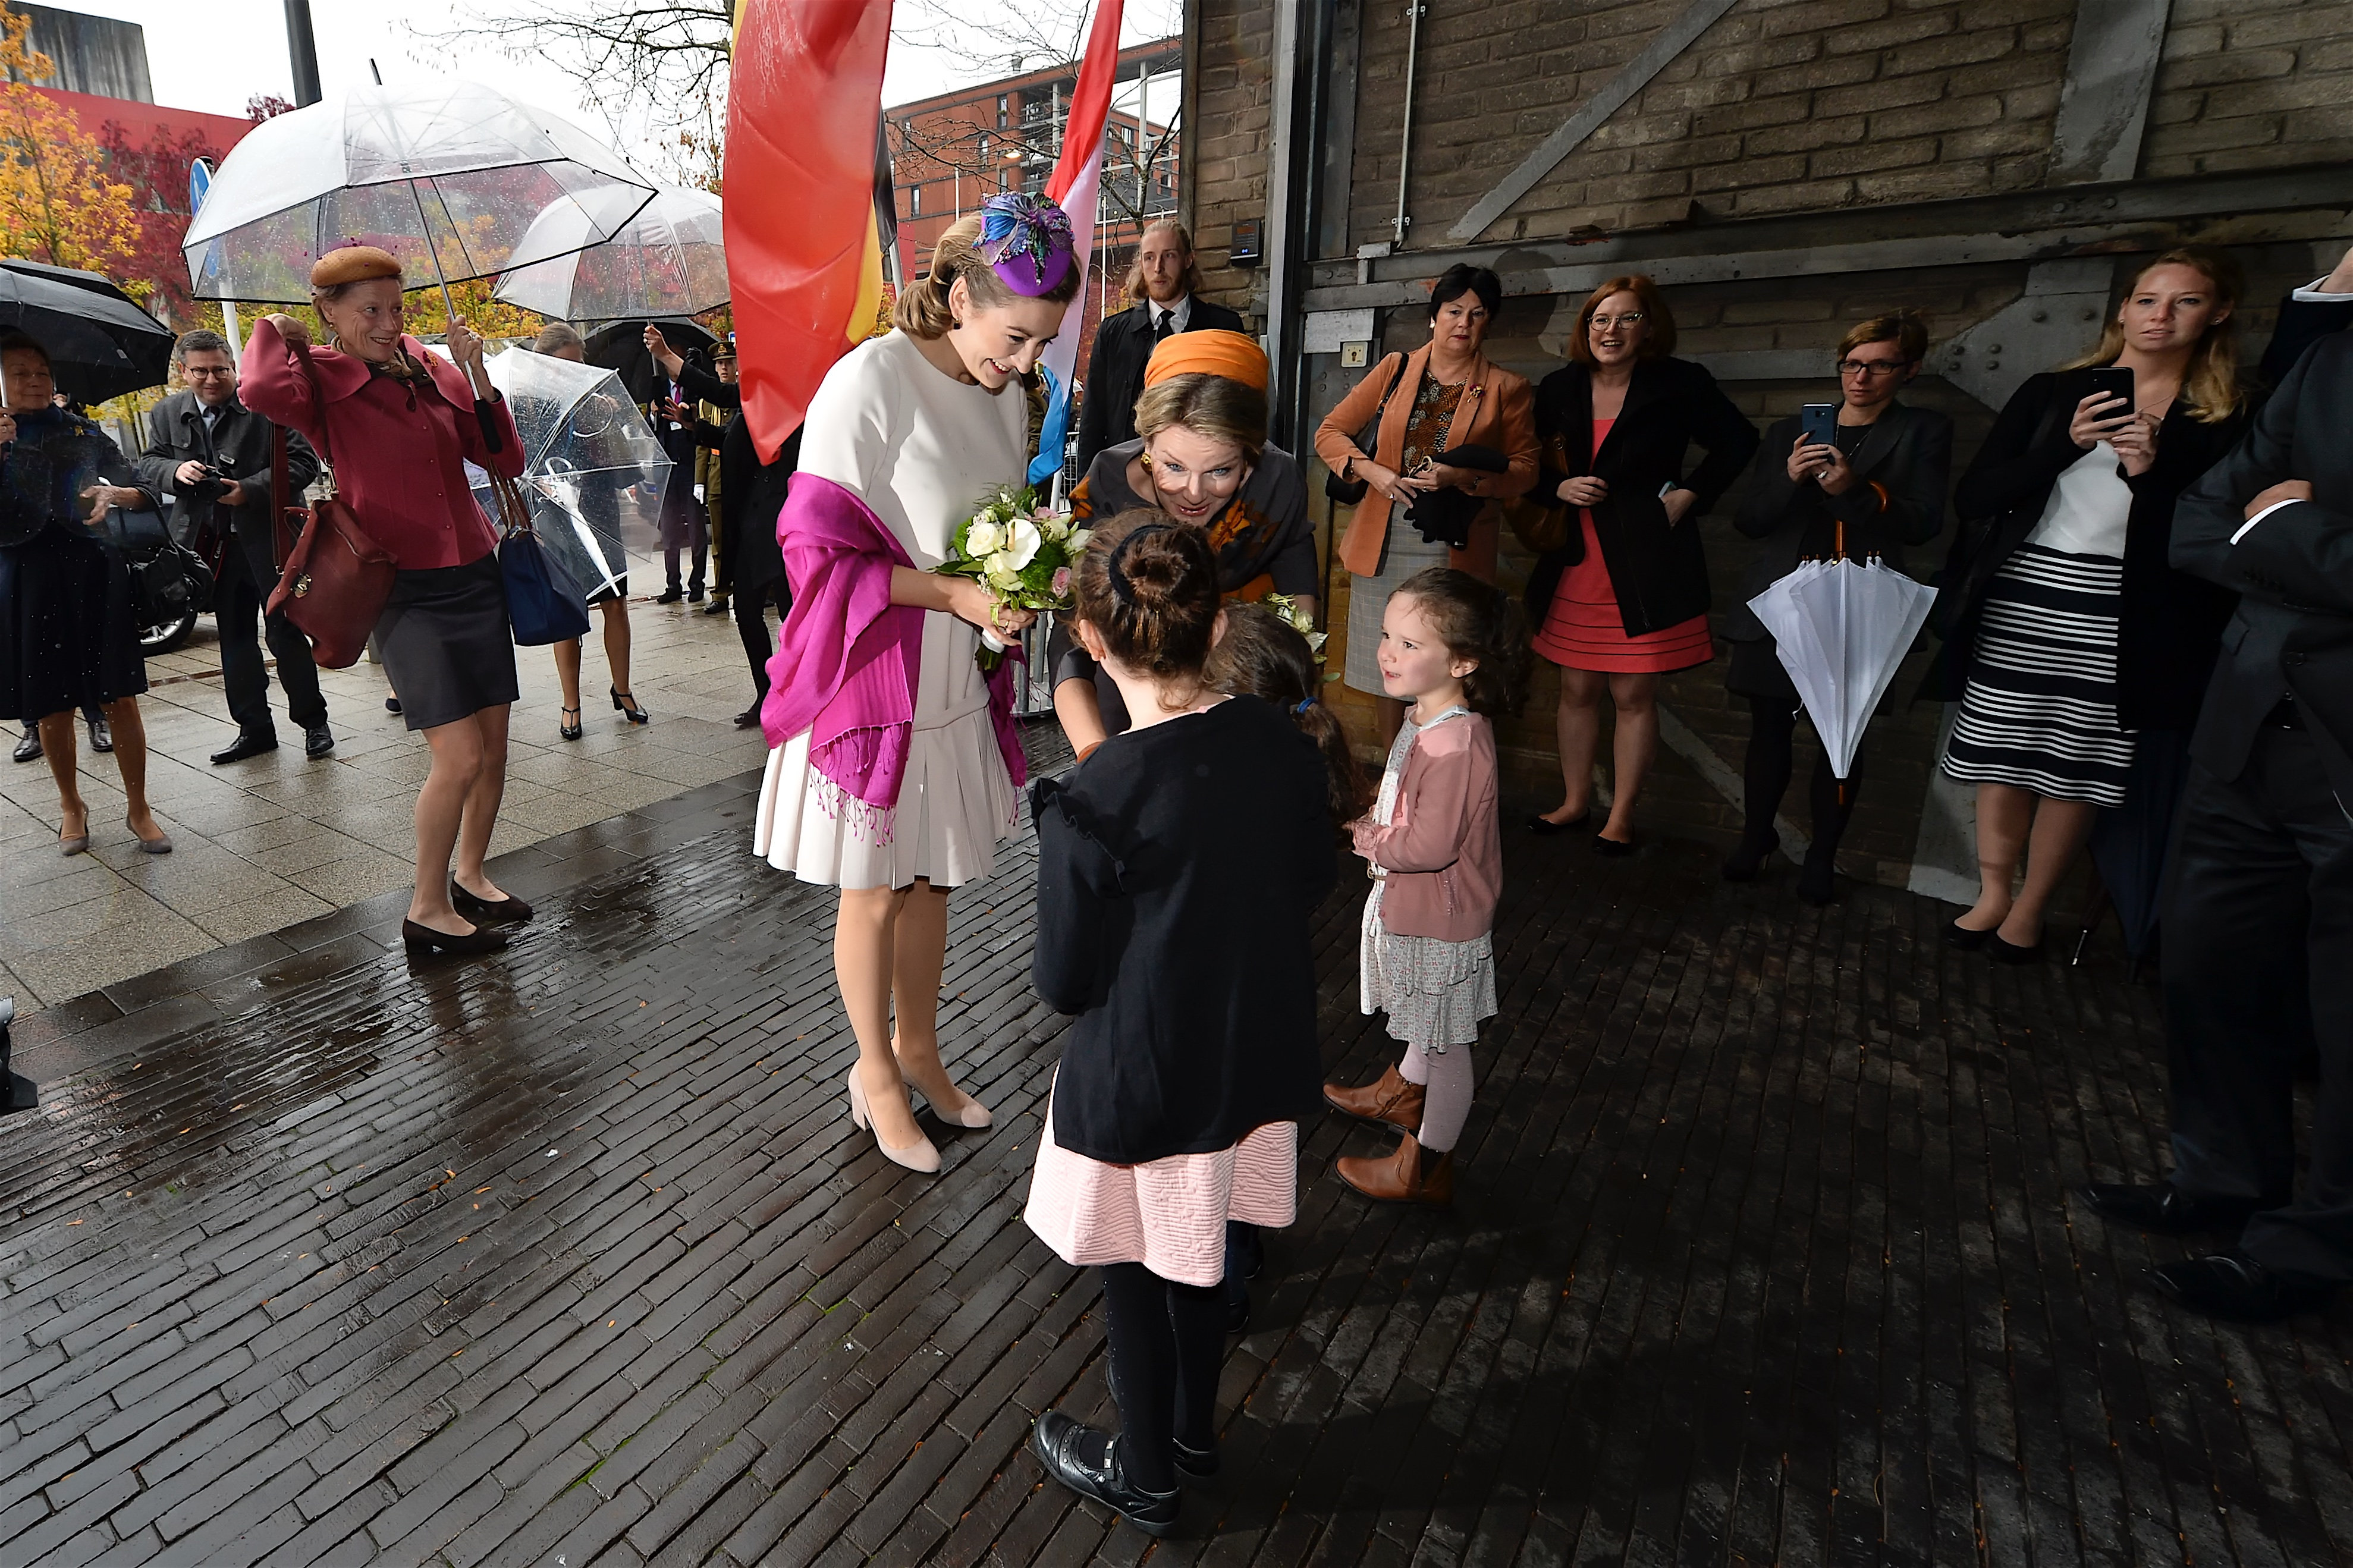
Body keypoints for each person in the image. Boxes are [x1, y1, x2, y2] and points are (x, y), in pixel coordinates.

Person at [752, 198, 1082, 1172]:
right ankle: (873, 1076)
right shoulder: (870, 380)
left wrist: (1027, 577)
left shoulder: (1005, 393)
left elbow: (998, 523)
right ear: (956, 294)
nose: (1026, 363)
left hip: (953, 670)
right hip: (872, 670)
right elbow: (809, 556)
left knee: (930, 876)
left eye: (1042, 344)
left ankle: (922, 1053)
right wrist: (953, 591)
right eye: (1016, 337)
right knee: (875, 891)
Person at [1024, 514, 1335, 1534]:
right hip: (1250, 1056)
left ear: (1096, 640)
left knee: (1134, 1274)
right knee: (1204, 1256)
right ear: (1214, 631)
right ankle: (1194, 1431)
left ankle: (1146, 1470)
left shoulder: (1093, 796)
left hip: (1147, 1076)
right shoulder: (1282, 743)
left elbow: (1066, 982)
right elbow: (1310, 878)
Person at [2075, 262, 2353, 1323]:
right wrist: (2278, 527)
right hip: (2245, 722)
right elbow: (2196, 519)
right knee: (2207, 967)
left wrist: (2277, 528)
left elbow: (2240, 526)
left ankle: (2321, 1249)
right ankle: (2223, 1179)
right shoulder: (2329, 363)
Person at [1931, 248, 2249, 959]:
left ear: (2218, 314)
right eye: (2146, 300)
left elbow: (2220, 539)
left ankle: (2030, 910)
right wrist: (2066, 447)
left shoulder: (2224, 414)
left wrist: (2149, 472)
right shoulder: (2054, 392)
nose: (2160, 316)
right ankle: (1992, 895)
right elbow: (1977, 498)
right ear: (2123, 310)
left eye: (2184, 301)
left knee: (2077, 766)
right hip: (2026, 593)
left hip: (2128, 609)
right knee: (2002, 754)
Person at [240, 244, 530, 959]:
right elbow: (256, 389)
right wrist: (279, 331)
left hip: (474, 569)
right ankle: (427, 906)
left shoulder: (431, 368)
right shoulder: (317, 380)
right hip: (402, 586)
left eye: (395, 307)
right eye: (369, 309)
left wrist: (477, 372)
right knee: (458, 755)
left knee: (493, 750)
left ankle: (470, 875)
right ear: (330, 313)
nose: (386, 321)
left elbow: (503, 460)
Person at [1523, 275, 1760, 853]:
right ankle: (1575, 802)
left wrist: (1693, 493)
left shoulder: (1681, 384)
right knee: (1575, 689)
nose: (1611, 330)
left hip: (1646, 560)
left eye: (1627, 318)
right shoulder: (1558, 386)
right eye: (1600, 319)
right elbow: (1524, 464)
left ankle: (1621, 815)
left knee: (1633, 695)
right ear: (1586, 329)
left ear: (1649, 327)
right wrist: (1558, 487)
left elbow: (1739, 441)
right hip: (1575, 559)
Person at [1722, 311, 1952, 903]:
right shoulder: (1787, 433)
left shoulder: (1921, 430)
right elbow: (1749, 521)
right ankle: (1755, 838)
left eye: (1880, 366)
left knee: (1841, 740)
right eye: (1853, 363)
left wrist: (1853, 489)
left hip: (1859, 606)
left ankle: (1823, 857)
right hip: (1780, 602)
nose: (1862, 377)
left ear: (1909, 370)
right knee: (1767, 731)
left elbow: (1925, 522)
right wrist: (1791, 480)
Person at [1323, 567, 1524, 1205]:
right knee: (1426, 1015)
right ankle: (1401, 1092)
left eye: (1411, 645)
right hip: (1420, 907)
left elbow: (1430, 847)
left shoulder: (1455, 746)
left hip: (1441, 915)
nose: (1388, 652)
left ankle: (1426, 1166)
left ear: (1462, 661)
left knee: (1446, 1041)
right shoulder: (1427, 718)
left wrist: (1362, 834)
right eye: (1388, 635)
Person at [1051, 330, 1315, 752]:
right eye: (1172, 466)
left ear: (1251, 458)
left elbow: (1297, 611)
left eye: (1219, 471)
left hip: (1242, 693)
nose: (1193, 493)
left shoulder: (1277, 484)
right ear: (1147, 445)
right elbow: (1072, 636)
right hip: (1128, 703)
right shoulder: (1106, 483)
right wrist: (1093, 755)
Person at [1314, 263, 1538, 746]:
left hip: (1450, 544)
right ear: (1433, 317)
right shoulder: (1395, 368)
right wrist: (1370, 469)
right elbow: (1329, 432)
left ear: (1488, 322)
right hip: (1383, 534)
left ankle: (1439, 766)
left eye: (1477, 314)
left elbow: (1526, 470)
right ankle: (1394, 775)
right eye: (1454, 311)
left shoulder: (1506, 388)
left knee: (1444, 666)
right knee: (1389, 667)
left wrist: (1463, 477)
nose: (1464, 323)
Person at [0, 330, 169, 854]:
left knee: (119, 694)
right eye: (19, 372)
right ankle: (72, 806)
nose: (33, 381)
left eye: (40, 371)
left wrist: (116, 493)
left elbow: (142, 490)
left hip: (94, 572)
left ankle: (139, 807)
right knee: (51, 703)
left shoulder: (82, 429)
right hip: (28, 579)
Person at [136, 328, 328, 766]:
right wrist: (175, 470)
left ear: (233, 368)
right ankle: (254, 729)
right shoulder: (166, 413)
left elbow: (303, 462)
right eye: (200, 371)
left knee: (286, 633)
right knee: (234, 640)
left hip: (269, 541)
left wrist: (248, 490)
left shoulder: (264, 405)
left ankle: (314, 723)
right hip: (208, 547)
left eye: (220, 369)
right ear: (182, 372)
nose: (210, 379)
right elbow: (148, 463)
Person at [646, 325, 800, 727]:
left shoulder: (779, 396)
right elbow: (735, 435)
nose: (734, 368)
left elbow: (719, 393)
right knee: (747, 612)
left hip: (778, 525)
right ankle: (767, 694)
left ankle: (801, 691)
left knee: (791, 615)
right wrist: (698, 429)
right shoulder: (756, 401)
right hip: (747, 527)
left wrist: (666, 356)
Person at [526, 322, 646, 738]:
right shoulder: (528, 408)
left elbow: (623, 472)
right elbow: (520, 467)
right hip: (556, 516)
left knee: (616, 602)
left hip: (599, 511)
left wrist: (608, 424)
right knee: (568, 613)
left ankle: (623, 688)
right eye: (564, 365)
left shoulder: (597, 404)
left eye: (579, 364)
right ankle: (571, 702)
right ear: (543, 365)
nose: (574, 372)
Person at [1073, 220, 1246, 473]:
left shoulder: (1223, 327)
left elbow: (1241, 414)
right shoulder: (1112, 333)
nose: (1158, 268)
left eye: (1169, 256)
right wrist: (1086, 492)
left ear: (1188, 260)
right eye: (1149, 258)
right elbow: (1093, 420)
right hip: (1127, 477)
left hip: (1202, 477)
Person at [650, 350, 708, 604]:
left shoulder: (694, 390)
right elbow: (651, 431)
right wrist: (653, 414)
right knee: (670, 530)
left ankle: (697, 583)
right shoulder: (657, 389)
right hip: (668, 466)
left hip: (690, 465)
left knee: (696, 528)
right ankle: (672, 582)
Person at [690, 345, 736, 618]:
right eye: (720, 363)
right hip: (717, 472)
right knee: (719, 540)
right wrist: (700, 480)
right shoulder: (707, 402)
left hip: (742, 472)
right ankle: (720, 593)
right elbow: (702, 446)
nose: (723, 368)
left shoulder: (747, 393)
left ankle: (761, 590)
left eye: (728, 362)